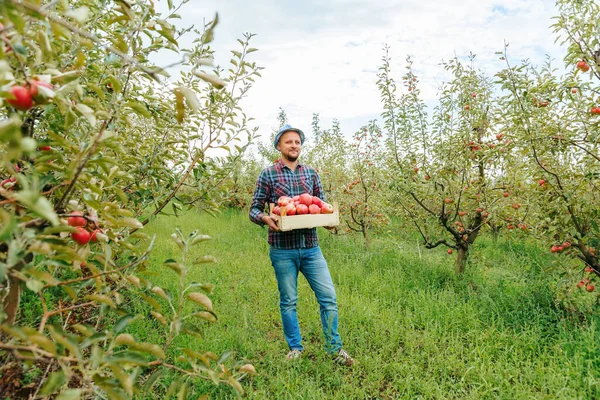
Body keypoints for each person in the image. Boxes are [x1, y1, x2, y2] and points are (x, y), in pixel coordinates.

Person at [249, 124, 354, 366]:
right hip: (282, 249)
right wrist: (265, 218)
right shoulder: (268, 174)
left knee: (328, 298)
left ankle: (334, 349)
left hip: (311, 247)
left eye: (297, 142)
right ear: (279, 146)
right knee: (288, 301)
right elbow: (254, 209)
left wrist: (328, 221)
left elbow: (322, 205)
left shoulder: (311, 174)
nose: (294, 145)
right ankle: (295, 348)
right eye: (288, 142)